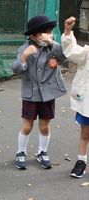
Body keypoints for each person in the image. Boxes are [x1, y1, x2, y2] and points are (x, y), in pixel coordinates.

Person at [12, 16, 67, 170]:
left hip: (48, 94)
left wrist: (52, 43)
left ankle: (42, 152)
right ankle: (20, 152)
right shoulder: (24, 49)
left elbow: (65, 59)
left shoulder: (53, 47)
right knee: (27, 126)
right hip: (31, 94)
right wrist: (24, 56)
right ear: (32, 35)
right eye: (42, 33)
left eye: (48, 32)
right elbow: (16, 70)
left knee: (44, 126)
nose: (46, 36)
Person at [61, 16, 89, 178]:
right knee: (85, 133)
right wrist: (67, 30)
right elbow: (71, 50)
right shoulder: (87, 53)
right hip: (87, 103)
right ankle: (81, 161)